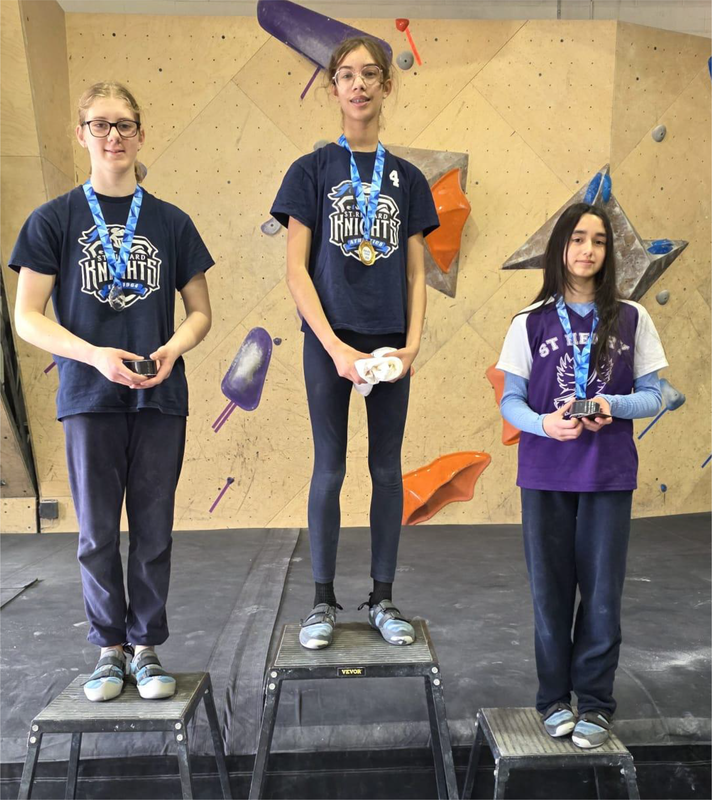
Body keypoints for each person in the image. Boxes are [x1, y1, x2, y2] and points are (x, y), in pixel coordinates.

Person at [11, 81, 213, 701]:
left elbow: (201, 313)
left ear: (141, 133)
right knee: (97, 531)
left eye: (124, 125)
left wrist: (173, 350)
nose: (113, 136)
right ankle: (108, 651)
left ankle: (147, 650)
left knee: (153, 529)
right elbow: (27, 316)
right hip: (87, 396)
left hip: (159, 397)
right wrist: (93, 354)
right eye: (100, 125)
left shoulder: (172, 222)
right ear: (82, 135)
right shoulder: (53, 220)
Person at [271, 36, 440, 649]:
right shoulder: (310, 170)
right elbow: (296, 271)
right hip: (328, 342)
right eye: (347, 75)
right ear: (333, 86)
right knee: (330, 467)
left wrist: (413, 346)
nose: (360, 85)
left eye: (371, 74)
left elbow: (420, 272)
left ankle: (383, 598)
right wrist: (336, 349)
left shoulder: (409, 178)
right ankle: (321, 605)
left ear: (387, 86)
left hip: (391, 342)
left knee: (386, 469)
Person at [496, 202, 668, 747]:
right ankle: (553, 700)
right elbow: (512, 404)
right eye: (576, 239)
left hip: (608, 475)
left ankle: (594, 704)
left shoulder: (634, 316)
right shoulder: (529, 321)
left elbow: (655, 394)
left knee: (600, 596)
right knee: (550, 594)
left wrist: (609, 406)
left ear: (608, 252)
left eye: (597, 240)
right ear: (560, 249)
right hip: (544, 472)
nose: (587, 249)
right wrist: (546, 425)